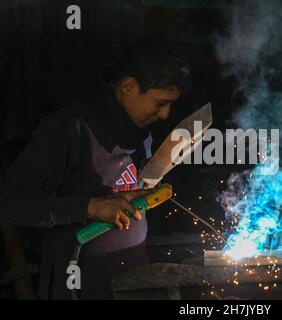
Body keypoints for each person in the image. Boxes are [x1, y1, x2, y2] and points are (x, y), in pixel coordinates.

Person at [0, 35, 191, 299]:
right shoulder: (68, 129)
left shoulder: (142, 132)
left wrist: (148, 181)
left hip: (132, 285)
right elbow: (10, 202)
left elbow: (123, 186)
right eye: (160, 103)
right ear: (128, 87)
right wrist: (90, 206)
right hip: (79, 288)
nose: (165, 114)